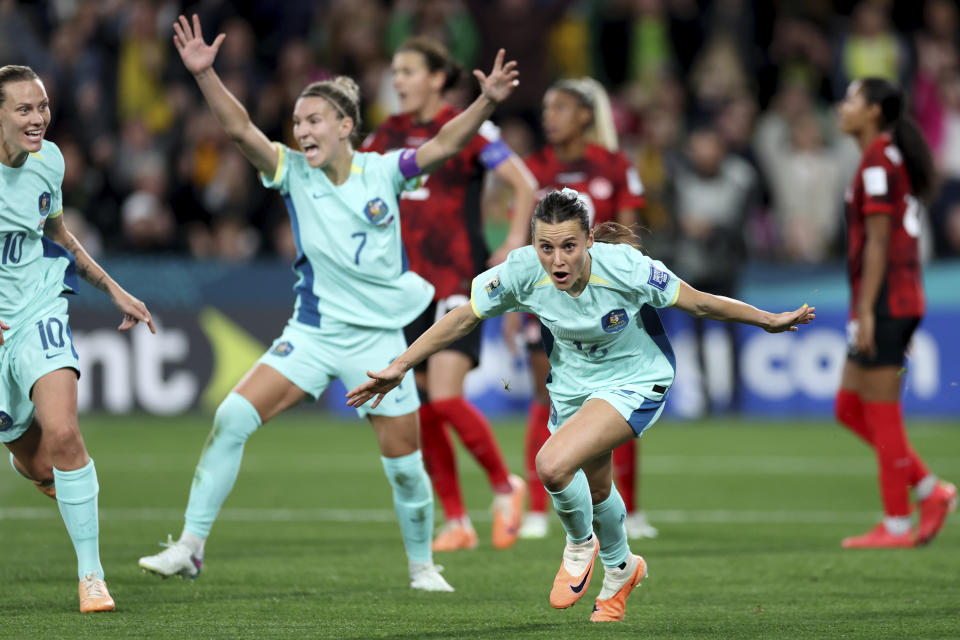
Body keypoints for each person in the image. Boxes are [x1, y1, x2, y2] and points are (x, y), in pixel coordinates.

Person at [137, 15, 519, 592]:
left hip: (378, 343)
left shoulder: (384, 171)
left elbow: (444, 144)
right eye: (295, 122)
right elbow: (241, 132)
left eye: (313, 120)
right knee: (232, 417)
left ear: (344, 126)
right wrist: (206, 75)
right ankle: (190, 548)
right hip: (312, 335)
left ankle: (422, 567)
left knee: (405, 469)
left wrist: (486, 103)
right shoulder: (292, 173)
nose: (301, 131)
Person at [347, 188, 814, 621]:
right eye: (546, 247)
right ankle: (621, 569)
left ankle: (579, 544)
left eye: (569, 246)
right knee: (595, 488)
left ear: (590, 239)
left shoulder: (625, 267)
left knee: (551, 465)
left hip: (636, 378)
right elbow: (462, 317)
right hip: (572, 386)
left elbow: (699, 304)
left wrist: (766, 319)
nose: (557, 259)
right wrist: (402, 364)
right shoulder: (521, 270)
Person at [361, 36, 536, 552]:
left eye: (409, 71)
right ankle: (457, 521)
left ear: (438, 77)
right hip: (402, 286)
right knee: (421, 405)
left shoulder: (468, 128)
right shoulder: (387, 133)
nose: (398, 81)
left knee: (444, 396)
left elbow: (522, 183)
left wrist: (510, 240)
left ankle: (507, 488)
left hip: (457, 280)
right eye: (394, 72)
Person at [0, 64, 156, 612]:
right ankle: (29, 464)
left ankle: (92, 578)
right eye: (24, 109)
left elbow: (59, 235)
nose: (38, 118)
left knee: (65, 435)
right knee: (41, 463)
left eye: (41, 106)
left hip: (38, 307)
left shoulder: (51, 161)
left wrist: (115, 290)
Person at [511, 77, 655, 540]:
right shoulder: (532, 169)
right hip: (548, 302)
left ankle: (628, 509)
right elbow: (521, 241)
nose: (548, 117)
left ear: (586, 116)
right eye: (546, 108)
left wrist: (621, 286)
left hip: (607, 302)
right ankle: (537, 506)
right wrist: (516, 305)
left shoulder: (613, 165)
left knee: (617, 405)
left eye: (560, 108)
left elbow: (628, 231)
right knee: (543, 396)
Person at [834, 77, 957, 548]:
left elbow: (880, 241)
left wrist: (865, 311)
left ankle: (897, 523)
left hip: (887, 301)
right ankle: (931, 490)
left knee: (882, 410)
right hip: (882, 299)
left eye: (851, 99)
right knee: (849, 408)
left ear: (874, 112)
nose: (842, 107)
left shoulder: (878, 163)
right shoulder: (880, 159)